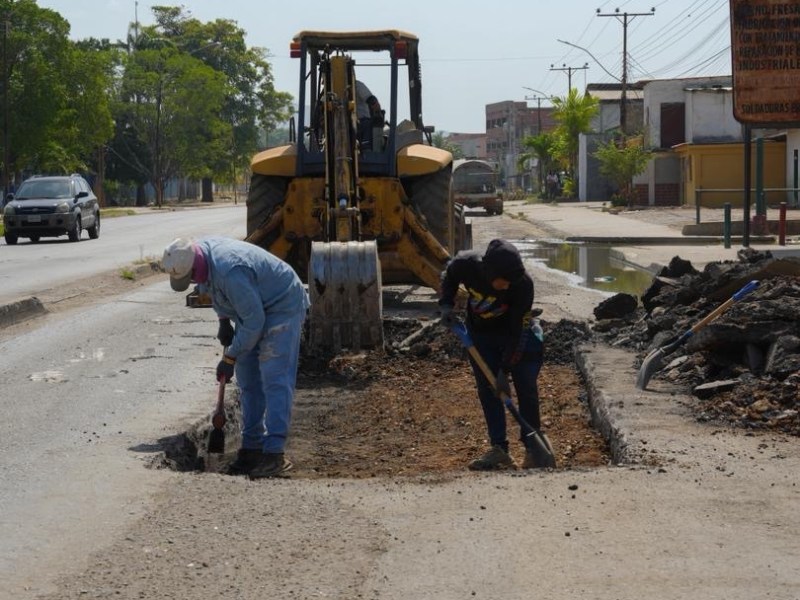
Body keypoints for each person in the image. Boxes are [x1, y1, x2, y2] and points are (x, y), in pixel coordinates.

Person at [162, 236, 309, 478]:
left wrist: (229, 357)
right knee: (248, 379)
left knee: (274, 377)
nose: (190, 283)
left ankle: (274, 454)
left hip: (280, 304)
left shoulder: (230, 270)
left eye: (189, 278)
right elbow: (215, 290)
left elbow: (255, 322)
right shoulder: (201, 257)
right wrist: (223, 321)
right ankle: (251, 447)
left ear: (195, 268)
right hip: (253, 308)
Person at [438, 239, 546, 470]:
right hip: (480, 336)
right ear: (490, 271)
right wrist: (446, 305)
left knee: (526, 388)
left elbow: (518, 331)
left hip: (512, 335)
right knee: (488, 391)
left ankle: (533, 449)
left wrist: (504, 370)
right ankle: (499, 449)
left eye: (511, 282)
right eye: (504, 281)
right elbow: (449, 275)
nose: (507, 286)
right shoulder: (466, 264)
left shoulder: (522, 285)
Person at [355, 79, 383, 150]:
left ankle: (366, 149)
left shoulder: (356, 85)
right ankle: (367, 150)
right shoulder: (357, 85)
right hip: (359, 123)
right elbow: (372, 101)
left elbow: (371, 100)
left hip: (360, 123)